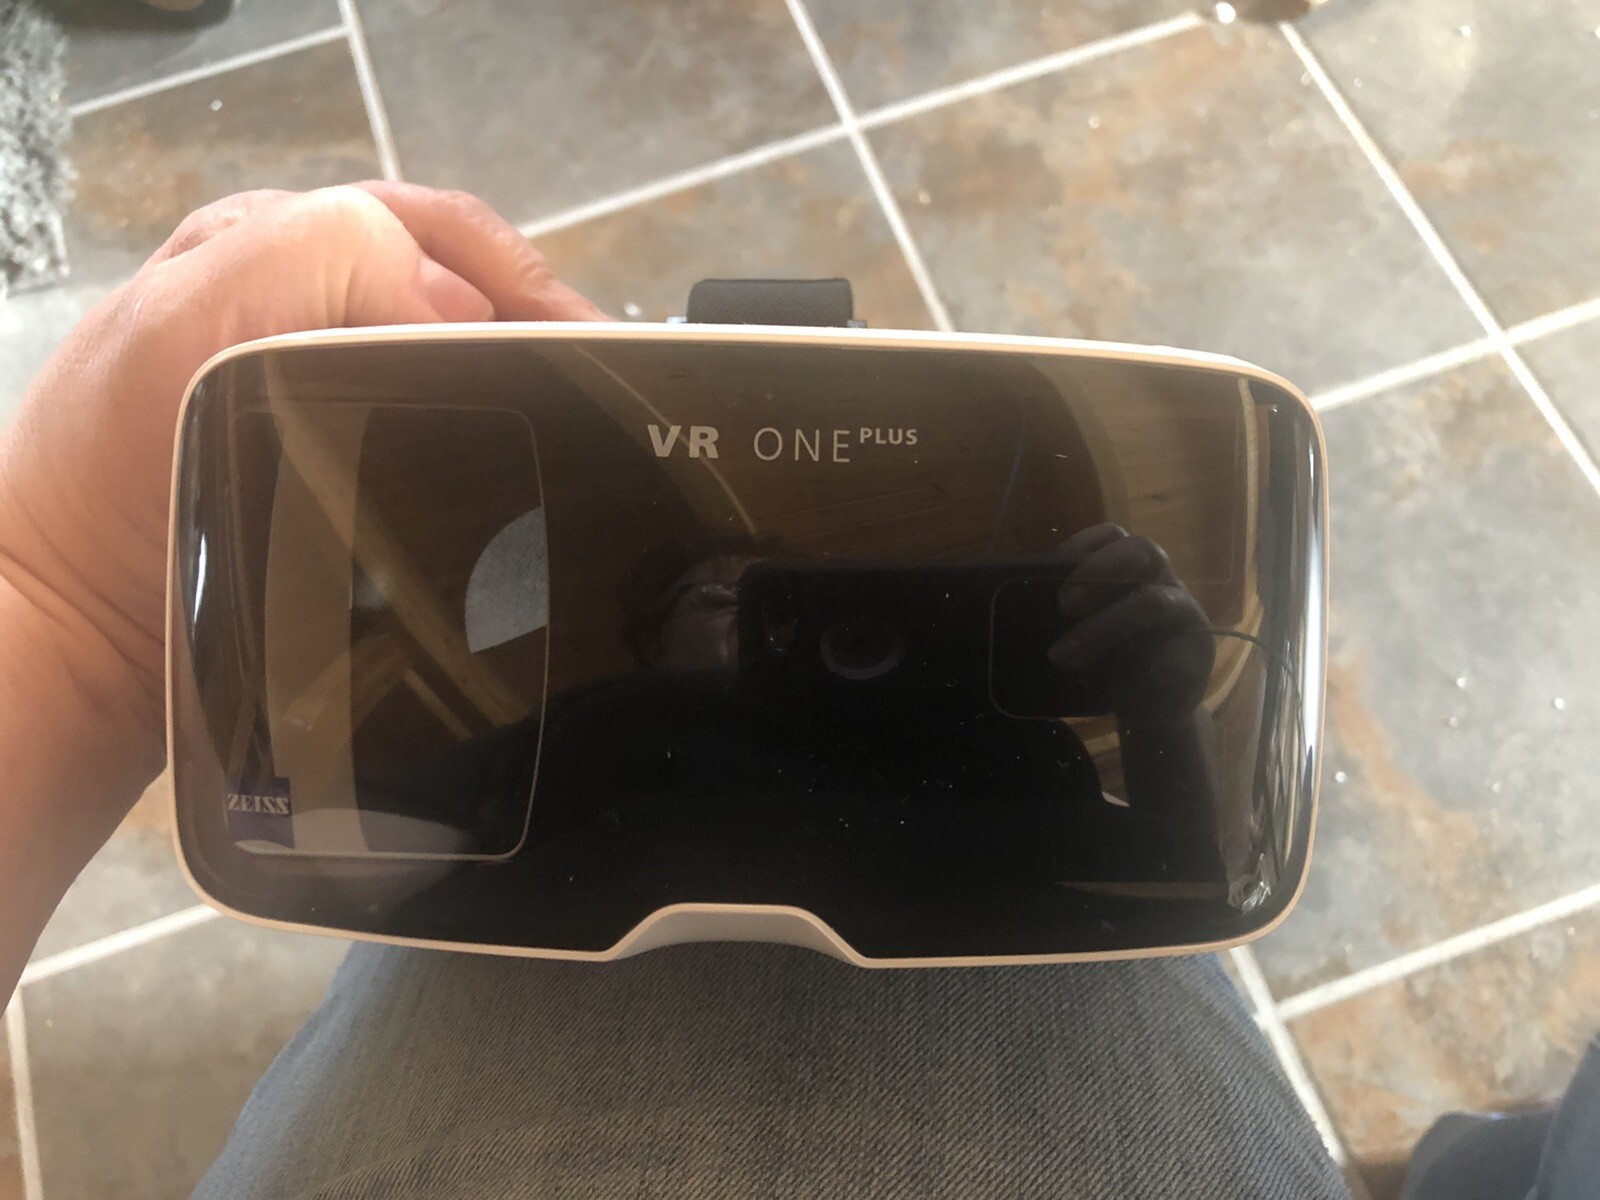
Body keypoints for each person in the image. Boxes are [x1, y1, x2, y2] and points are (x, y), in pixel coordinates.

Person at [0, 182, 1579, 1198]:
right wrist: (67, 613)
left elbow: (1179, 871)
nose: (803, 638)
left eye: (837, 610)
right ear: (651, 631)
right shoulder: (607, 734)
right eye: (737, 603)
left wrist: (65, 611)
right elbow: (371, 830)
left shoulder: (995, 755)